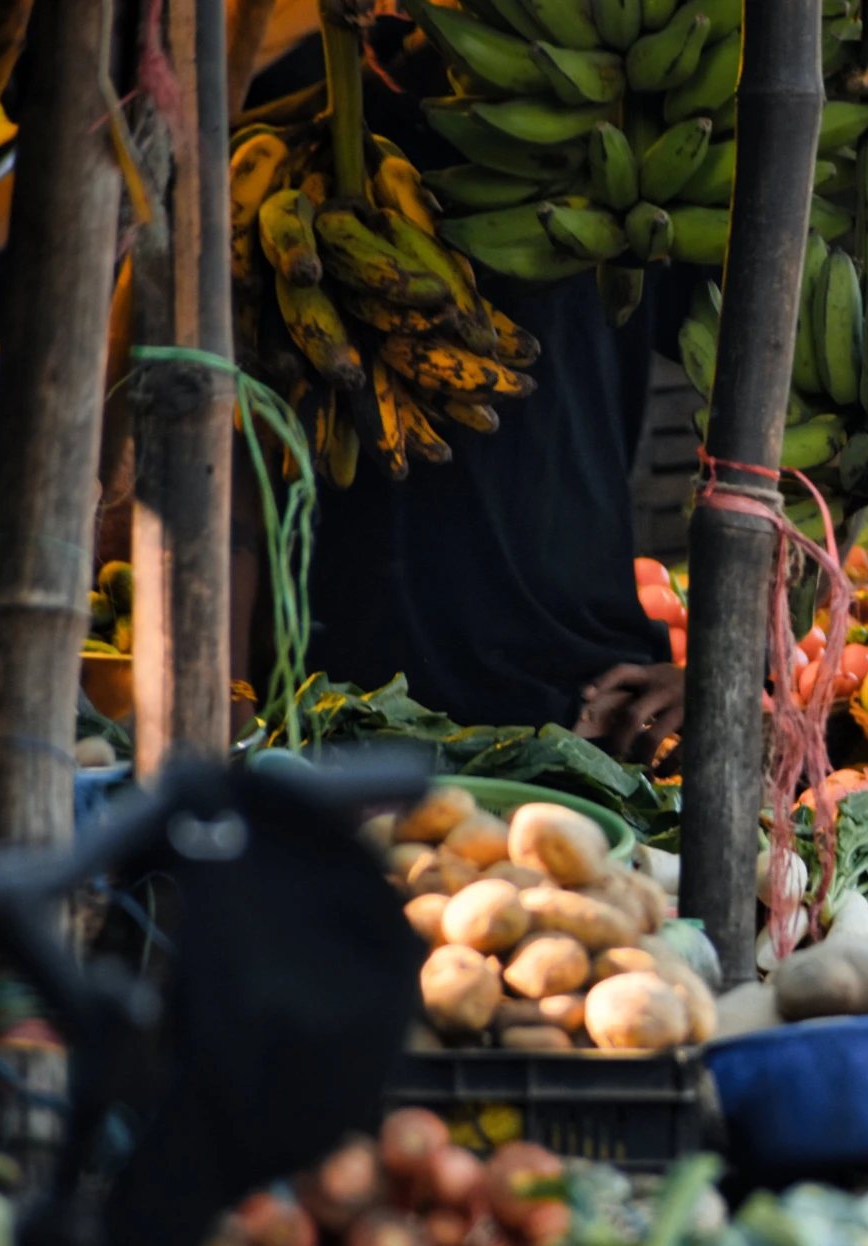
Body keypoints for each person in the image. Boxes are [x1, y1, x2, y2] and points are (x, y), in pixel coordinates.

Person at [249, 23, 697, 764]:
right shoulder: (274, 161)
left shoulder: (620, 158)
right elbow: (220, 453)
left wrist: (726, 660)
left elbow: (773, 376)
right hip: (327, 715)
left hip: (588, 713)